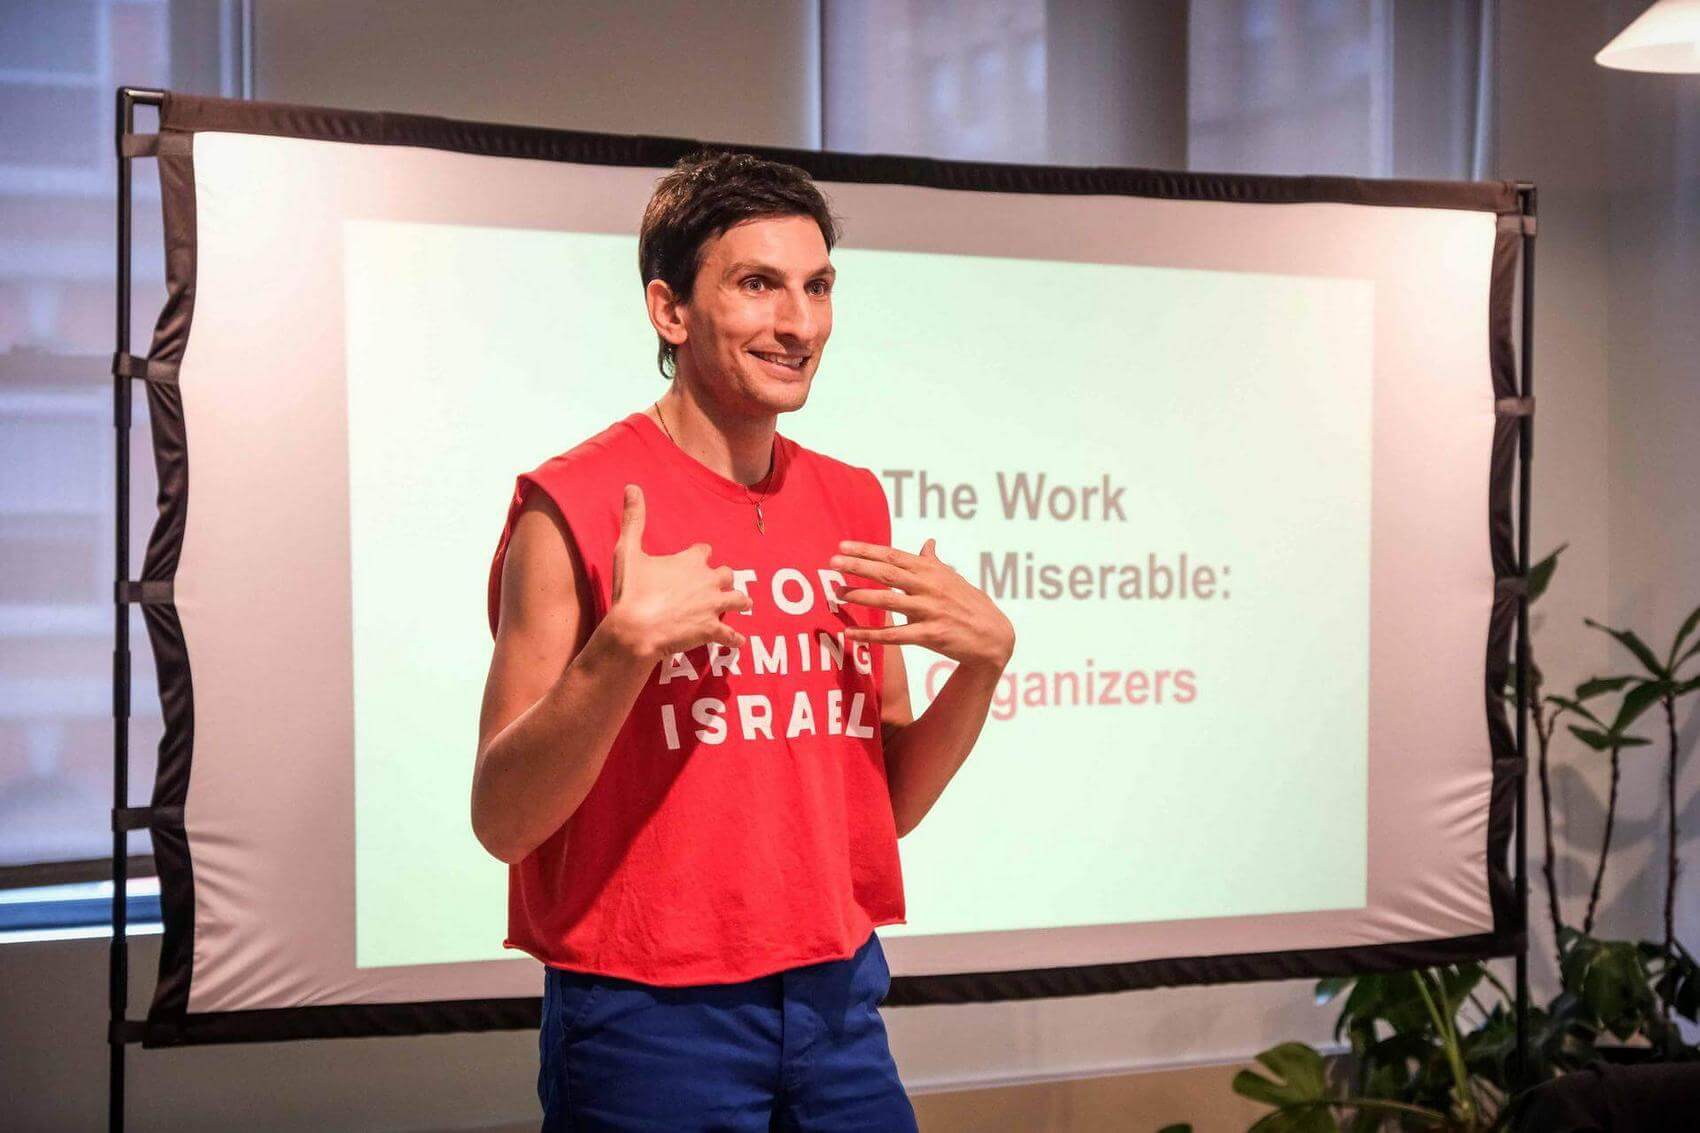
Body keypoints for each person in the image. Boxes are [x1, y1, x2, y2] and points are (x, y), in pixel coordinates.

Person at [472, 150, 1015, 1131]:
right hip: (645, 1011)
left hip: (834, 996)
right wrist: (619, 651)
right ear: (669, 311)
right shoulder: (575, 504)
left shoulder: (851, 499)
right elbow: (503, 820)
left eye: (816, 288)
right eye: (757, 285)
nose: (797, 323)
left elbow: (880, 803)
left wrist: (978, 669)